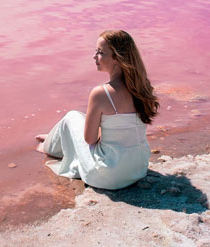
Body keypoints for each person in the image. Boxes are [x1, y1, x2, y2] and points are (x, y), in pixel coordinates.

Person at [35, 29, 159, 190]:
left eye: (100, 52)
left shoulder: (101, 93)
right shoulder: (143, 89)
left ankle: (49, 145)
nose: (94, 57)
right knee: (80, 118)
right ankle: (55, 136)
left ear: (117, 58)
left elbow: (90, 140)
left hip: (107, 176)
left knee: (72, 117)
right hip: (138, 169)